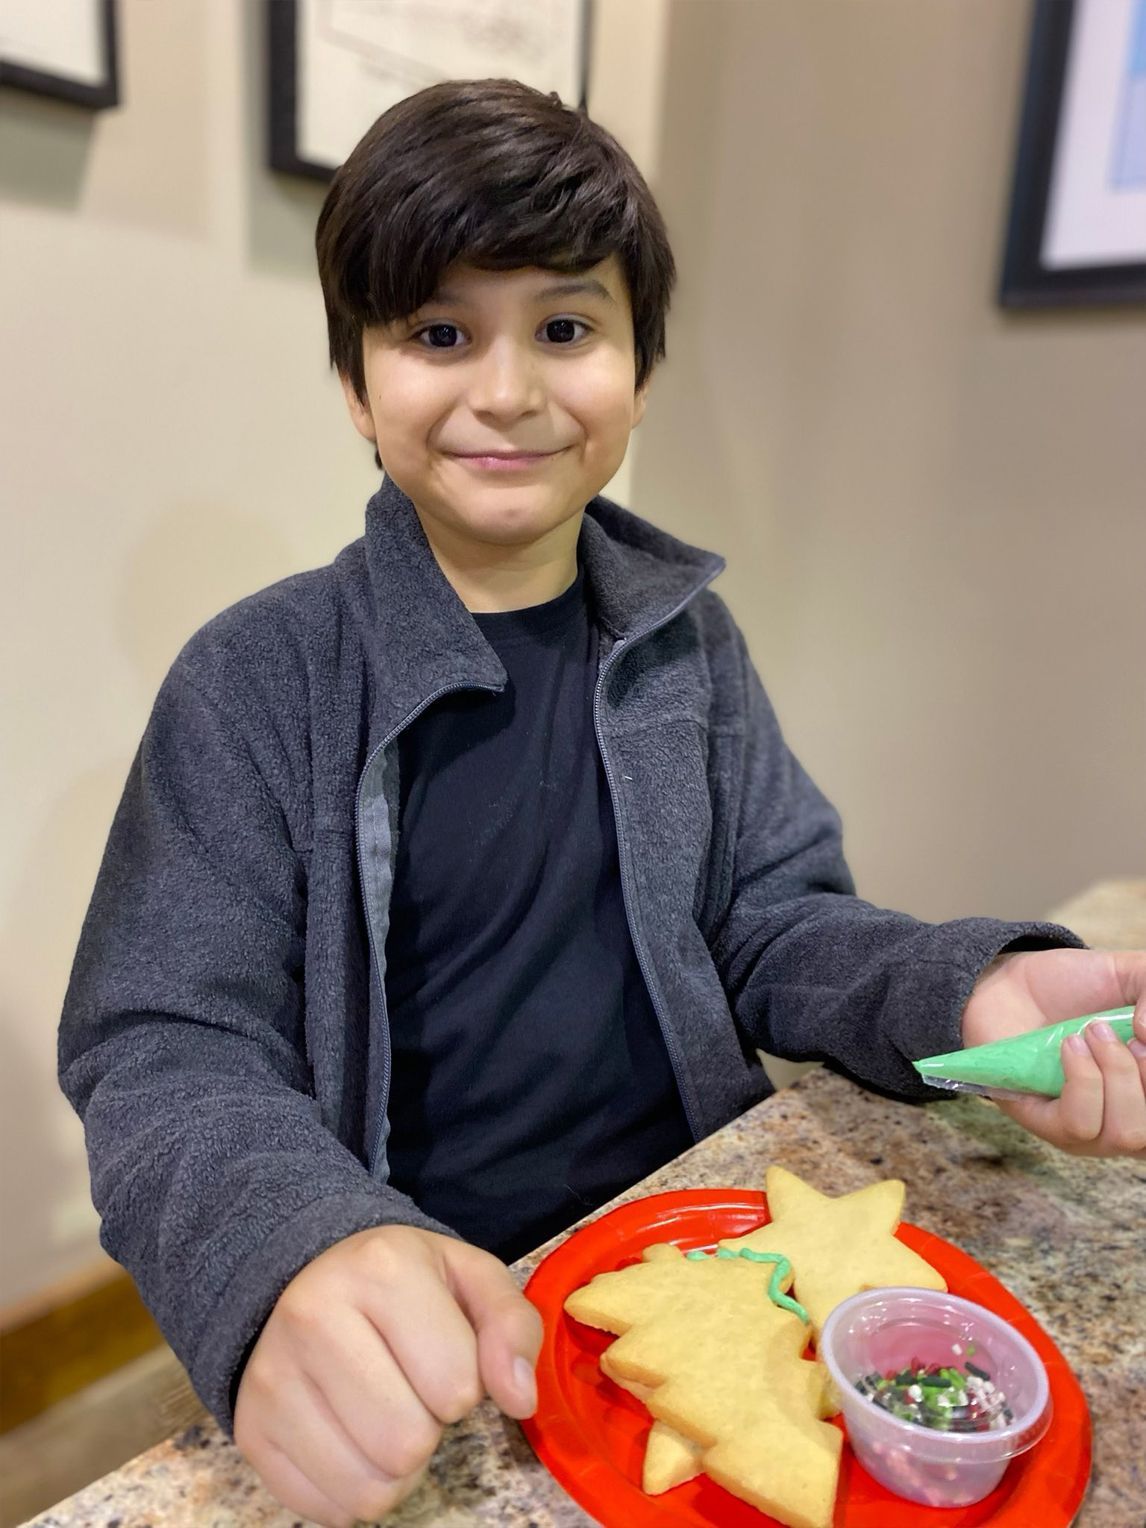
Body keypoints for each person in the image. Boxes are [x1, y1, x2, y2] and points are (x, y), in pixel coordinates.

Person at [59, 79, 1146, 1528]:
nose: (506, 390)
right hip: (431, 1293)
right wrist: (288, 1240)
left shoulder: (684, 644)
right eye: (438, 332)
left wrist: (963, 990)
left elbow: (773, 922)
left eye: (565, 329)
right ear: (352, 378)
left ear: (638, 367)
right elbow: (162, 1040)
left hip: (695, 1224)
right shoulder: (257, 678)